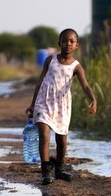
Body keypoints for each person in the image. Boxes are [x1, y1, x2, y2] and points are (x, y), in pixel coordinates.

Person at [26, 28, 97, 185]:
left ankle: (59, 169)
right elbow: (40, 82)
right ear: (59, 43)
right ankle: (45, 171)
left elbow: (85, 86)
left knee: (62, 141)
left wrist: (93, 99)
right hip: (44, 102)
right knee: (44, 136)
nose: (68, 44)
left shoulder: (76, 67)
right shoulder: (50, 60)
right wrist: (32, 105)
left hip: (62, 106)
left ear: (77, 45)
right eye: (64, 40)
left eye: (72, 41)